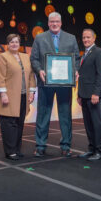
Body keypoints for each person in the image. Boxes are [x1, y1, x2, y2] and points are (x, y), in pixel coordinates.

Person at [30, 12, 80, 157]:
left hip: (65, 83)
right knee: (43, 115)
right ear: (48, 23)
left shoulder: (71, 38)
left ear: (61, 22)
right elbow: (34, 59)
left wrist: (76, 70)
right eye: (52, 22)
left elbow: (76, 59)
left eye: (57, 21)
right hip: (45, 83)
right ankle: (40, 145)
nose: (54, 24)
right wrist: (39, 70)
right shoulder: (39, 38)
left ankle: (66, 146)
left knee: (65, 115)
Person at [0, 34, 36, 160]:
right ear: (8, 44)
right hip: (9, 96)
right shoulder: (3, 57)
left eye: (16, 42)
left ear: (19, 43)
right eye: (11, 42)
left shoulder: (25, 57)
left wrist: (32, 92)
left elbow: (31, 76)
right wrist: (3, 94)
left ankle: (17, 150)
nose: (14, 44)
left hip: (23, 96)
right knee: (9, 124)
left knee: (19, 123)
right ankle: (10, 151)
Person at [77, 28, 101, 161]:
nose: (85, 40)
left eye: (88, 37)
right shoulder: (85, 54)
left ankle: (100, 151)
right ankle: (91, 149)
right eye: (84, 37)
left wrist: (95, 93)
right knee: (89, 125)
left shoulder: (99, 52)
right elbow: (83, 76)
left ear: (94, 38)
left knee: (97, 124)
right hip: (84, 96)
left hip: (95, 96)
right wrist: (79, 94)